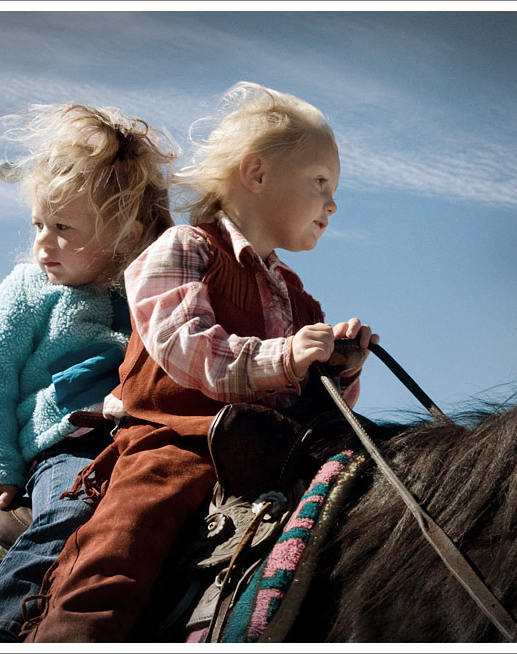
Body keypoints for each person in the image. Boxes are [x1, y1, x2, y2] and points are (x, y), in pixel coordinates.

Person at [20, 82, 379, 643]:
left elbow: (305, 401)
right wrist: (285, 354)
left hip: (268, 452)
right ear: (256, 173)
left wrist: (340, 368)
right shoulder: (182, 249)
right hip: (173, 442)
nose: (332, 203)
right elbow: (187, 349)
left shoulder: (299, 298)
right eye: (320, 182)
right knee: (118, 555)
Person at [0, 102, 176, 643]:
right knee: (77, 516)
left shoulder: (155, 291)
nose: (42, 243)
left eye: (62, 228)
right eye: (39, 225)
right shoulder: (29, 290)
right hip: (69, 445)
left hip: (147, 441)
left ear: (126, 233)